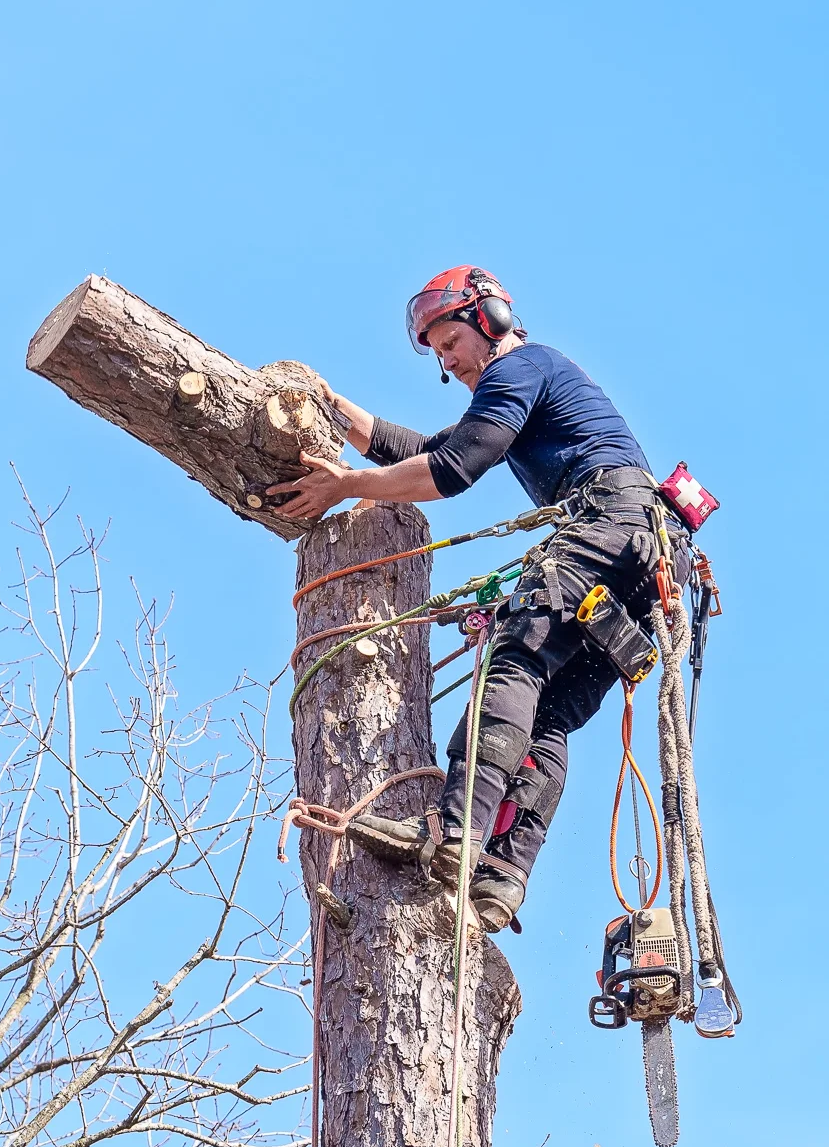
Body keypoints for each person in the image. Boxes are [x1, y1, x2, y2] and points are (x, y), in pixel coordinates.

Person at [268, 264, 688, 933]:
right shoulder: (523, 391)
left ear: (487, 317)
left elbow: (453, 469)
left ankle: (458, 831)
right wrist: (338, 412)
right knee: (543, 716)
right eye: (435, 352)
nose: (447, 362)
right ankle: (501, 876)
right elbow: (438, 447)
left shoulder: (523, 367)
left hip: (610, 524)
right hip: (646, 565)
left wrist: (348, 486)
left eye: (448, 342)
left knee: (511, 661)